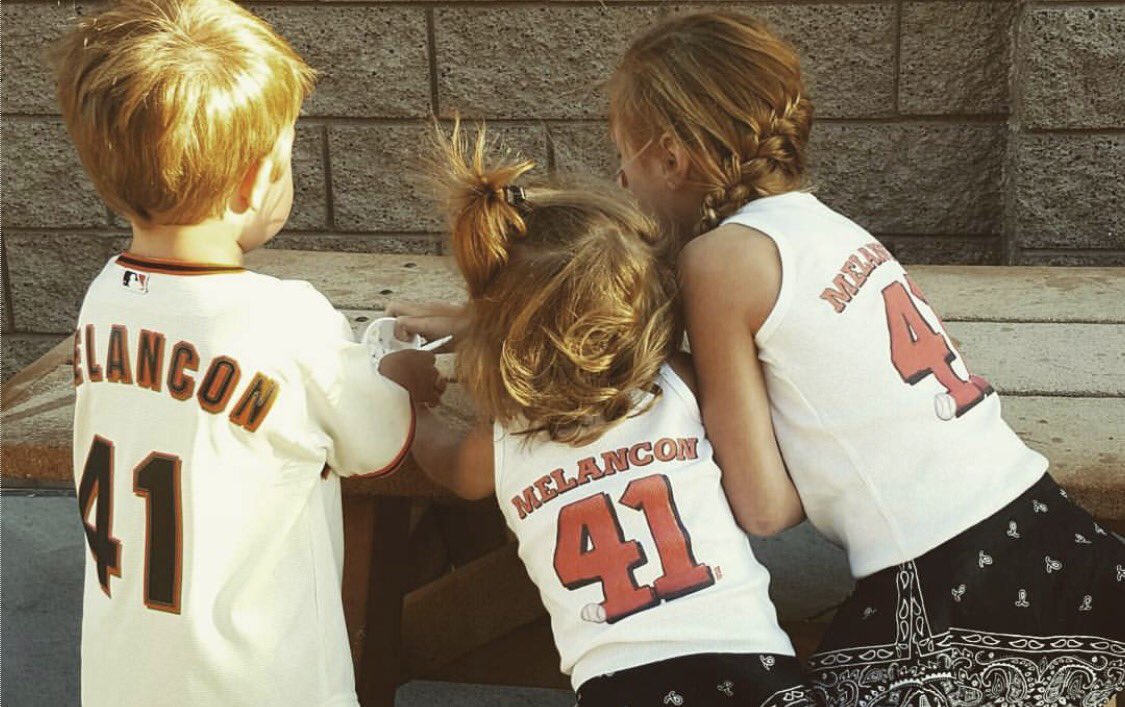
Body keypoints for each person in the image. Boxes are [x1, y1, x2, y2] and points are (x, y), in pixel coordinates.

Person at [399, 11, 1125, 706]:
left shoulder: (717, 262)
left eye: (623, 153)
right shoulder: (826, 225)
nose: (620, 179)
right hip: (1040, 519)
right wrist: (485, 321)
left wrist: (495, 325)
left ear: (671, 156)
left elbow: (764, 505)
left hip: (948, 584)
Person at [54, 1, 441, 704]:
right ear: (252, 181)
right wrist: (398, 367)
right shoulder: (286, 316)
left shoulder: (100, 299)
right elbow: (378, 444)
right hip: (266, 682)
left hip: (124, 678)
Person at [405, 123, 815, 707]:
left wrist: (412, 402)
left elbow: (450, 469)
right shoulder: (678, 380)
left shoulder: (504, 431)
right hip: (751, 660)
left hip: (619, 684)